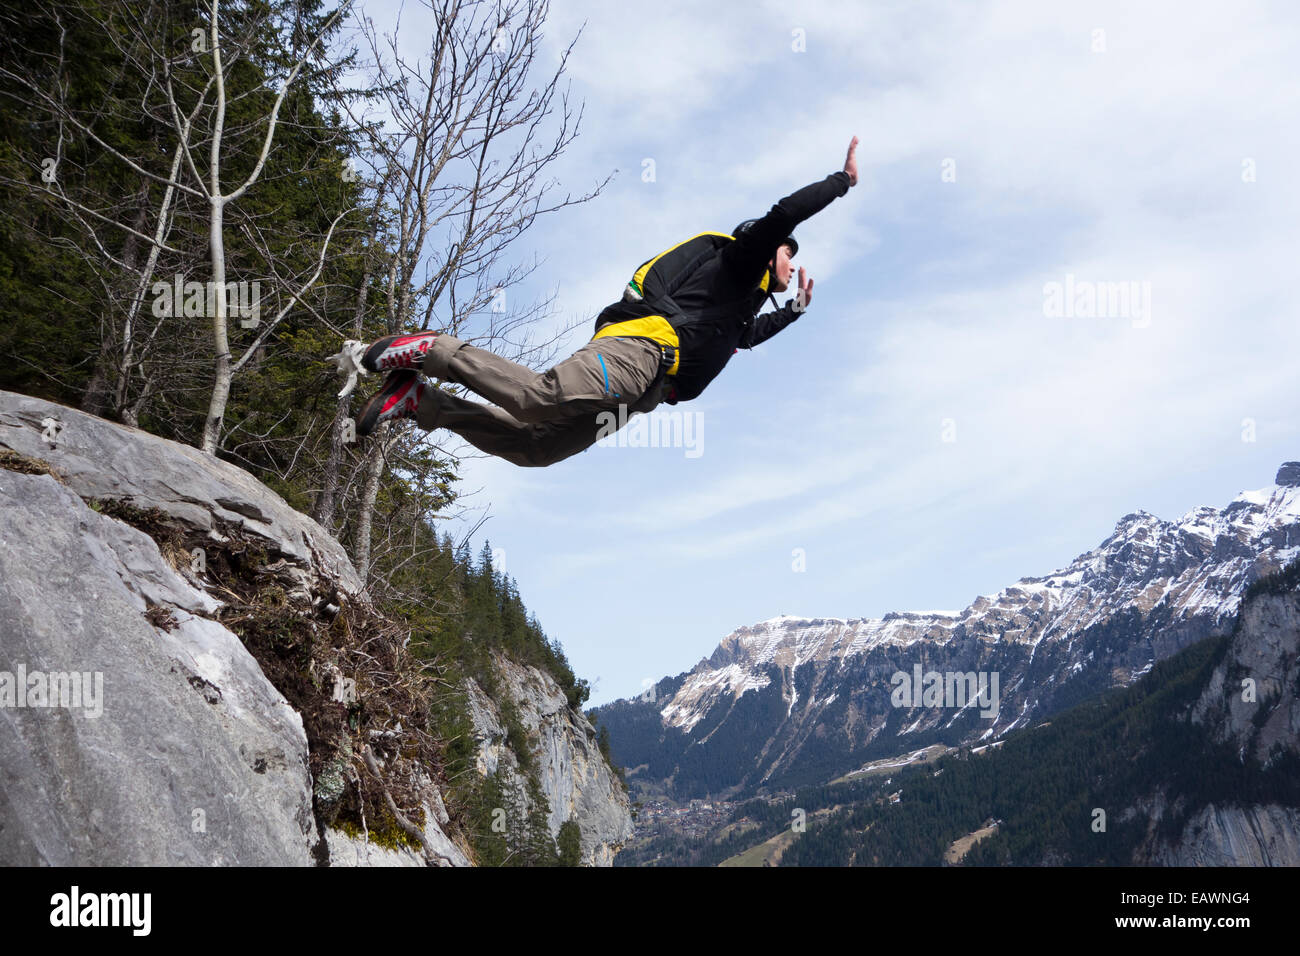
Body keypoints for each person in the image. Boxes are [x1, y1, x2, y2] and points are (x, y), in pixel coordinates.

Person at [350, 135, 860, 466]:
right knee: (538, 398)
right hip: (639, 350)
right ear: (768, 248)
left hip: (648, 394)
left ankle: (421, 402)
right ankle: (431, 350)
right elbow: (785, 213)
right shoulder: (737, 259)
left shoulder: (736, 309)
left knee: (539, 446)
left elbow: (744, 339)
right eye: (789, 255)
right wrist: (842, 182)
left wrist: (793, 313)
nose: (792, 265)